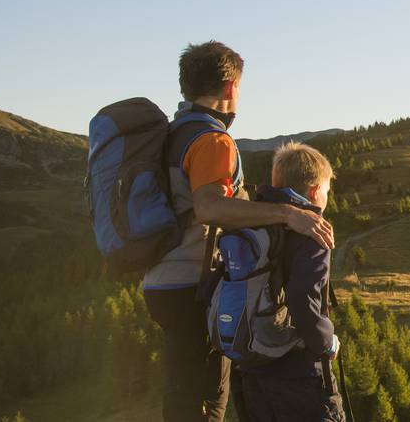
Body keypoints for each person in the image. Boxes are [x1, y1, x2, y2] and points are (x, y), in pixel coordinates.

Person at [147, 41, 336, 422]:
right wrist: (287, 214)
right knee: (206, 402)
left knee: (182, 393)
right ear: (232, 88)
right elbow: (209, 207)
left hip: (160, 280)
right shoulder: (211, 139)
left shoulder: (171, 135)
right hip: (192, 286)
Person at [230, 142, 346, 422]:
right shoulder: (313, 232)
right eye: (327, 191)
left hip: (251, 366)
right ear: (315, 190)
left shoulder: (250, 220)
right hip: (298, 372)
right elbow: (303, 300)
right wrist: (326, 343)